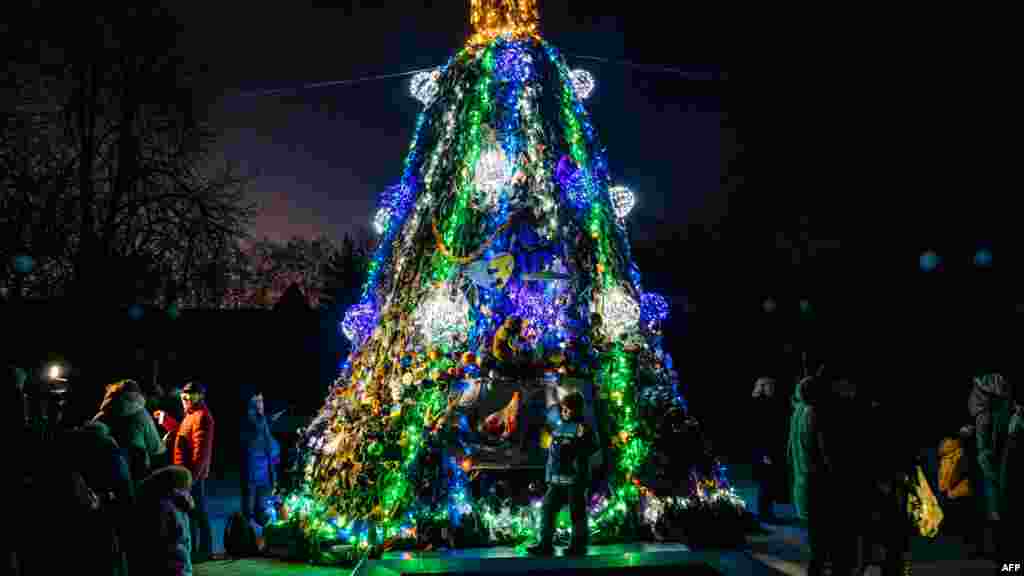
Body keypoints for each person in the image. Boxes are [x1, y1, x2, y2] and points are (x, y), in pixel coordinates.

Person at [528, 391, 596, 556]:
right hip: (557, 479)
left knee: (576, 512)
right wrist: (549, 476)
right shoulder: (559, 427)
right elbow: (553, 454)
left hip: (574, 479)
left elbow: (591, 447)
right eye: (563, 409)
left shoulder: (583, 428)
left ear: (578, 410)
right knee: (547, 508)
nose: (565, 412)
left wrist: (575, 448)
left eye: (568, 410)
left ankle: (578, 546)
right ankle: (545, 544)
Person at [786, 375, 831, 576]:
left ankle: (817, 565)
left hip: (801, 479)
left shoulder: (796, 413)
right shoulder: (814, 413)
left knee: (814, 531)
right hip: (815, 480)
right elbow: (822, 450)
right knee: (820, 532)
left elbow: (789, 450)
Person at [968, 373, 1014, 558]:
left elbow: (985, 451)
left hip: (992, 473)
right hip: (1002, 470)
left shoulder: (985, 417)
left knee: (993, 505)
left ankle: (1000, 556)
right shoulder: (1003, 413)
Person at [93, 379, 167, 488]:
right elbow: (155, 447)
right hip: (137, 467)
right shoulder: (142, 415)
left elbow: (92, 437)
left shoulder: (104, 413)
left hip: (106, 468)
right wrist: (165, 442)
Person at [173, 380, 215, 563]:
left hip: (192, 476)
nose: (186, 397)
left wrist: (191, 479)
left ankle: (204, 551)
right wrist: (166, 421)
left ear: (200, 396)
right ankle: (199, 550)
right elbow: (184, 435)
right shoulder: (191, 415)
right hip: (187, 474)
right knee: (194, 513)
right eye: (184, 394)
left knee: (197, 513)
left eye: (190, 394)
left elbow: (201, 453)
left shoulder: (201, 416)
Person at [135, 465, 194, 576]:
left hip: (168, 566)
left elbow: (160, 538)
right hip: (182, 565)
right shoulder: (180, 505)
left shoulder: (162, 506)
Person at [240, 386, 280, 527]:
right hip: (254, 466)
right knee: (251, 500)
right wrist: (264, 418)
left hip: (263, 465)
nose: (261, 404)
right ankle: (248, 527)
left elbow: (267, 440)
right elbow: (256, 437)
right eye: (258, 401)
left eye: (261, 400)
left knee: (261, 501)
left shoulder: (260, 418)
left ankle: (259, 522)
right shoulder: (251, 418)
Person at [750, 376, 788, 523]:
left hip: (765, 449)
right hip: (764, 449)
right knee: (766, 482)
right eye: (770, 386)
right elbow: (761, 431)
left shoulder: (764, 403)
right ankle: (765, 513)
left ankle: (766, 512)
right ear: (763, 387)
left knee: (767, 482)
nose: (773, 389)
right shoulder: (761, 405)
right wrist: (765, 452)